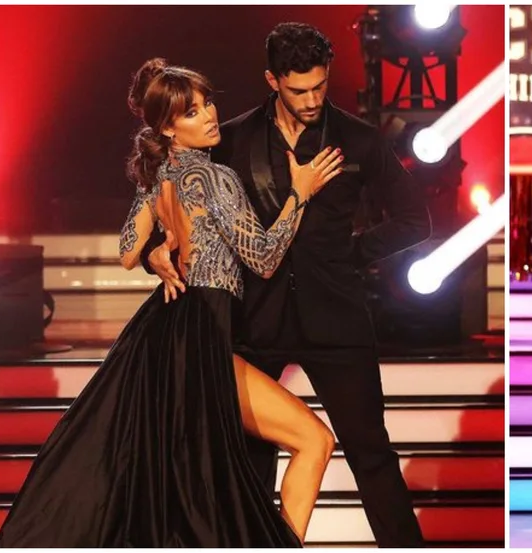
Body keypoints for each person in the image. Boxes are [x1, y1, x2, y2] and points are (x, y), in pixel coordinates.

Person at [0, 58, 346, 547]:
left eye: (207, 104)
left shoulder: (156, 179)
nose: (209, 117)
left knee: (182, 479)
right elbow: (262, 258)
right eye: (192, 112)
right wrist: (299, 194)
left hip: (163, 332)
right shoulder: (215, 178)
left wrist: (158, 250)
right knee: (313, 440)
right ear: (166, 126)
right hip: (201, 331)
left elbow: (125, 252)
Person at [141, 23, 431, 547]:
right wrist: (154, 251)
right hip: (254, 320)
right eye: (299, 89)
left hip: (338, 319)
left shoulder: (358, 138)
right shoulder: (230, 139)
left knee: (371, 454)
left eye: (320, 86)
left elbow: (415, 218)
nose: (312, 99)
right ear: (272, 79)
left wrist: (350, 255)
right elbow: (171, 201)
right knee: (251, 459)